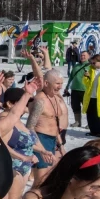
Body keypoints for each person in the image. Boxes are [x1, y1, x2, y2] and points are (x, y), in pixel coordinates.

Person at [27, 60, 67, 188]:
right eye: (57, 83)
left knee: (49, 179)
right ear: (46, 83)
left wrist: (60, 145)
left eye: (61, 83)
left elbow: (54, 123)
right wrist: (40, 148)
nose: (60, 87)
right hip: (41, 139)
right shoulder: (40, 101)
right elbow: (30, 126)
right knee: (40, 181)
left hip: (53, 140)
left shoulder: (54, 98)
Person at [65, 50, 91, 127]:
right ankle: (77, 122)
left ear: (88, 56)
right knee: (75, 106)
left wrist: (89, 75)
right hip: (75, 89)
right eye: (81, 55)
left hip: (85, 90)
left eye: (84, 55)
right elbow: (71, 77)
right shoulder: (76, 66)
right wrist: (67, 87)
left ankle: (90, 123)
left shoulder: (91, 66)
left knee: (87, 107)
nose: (82, 57)